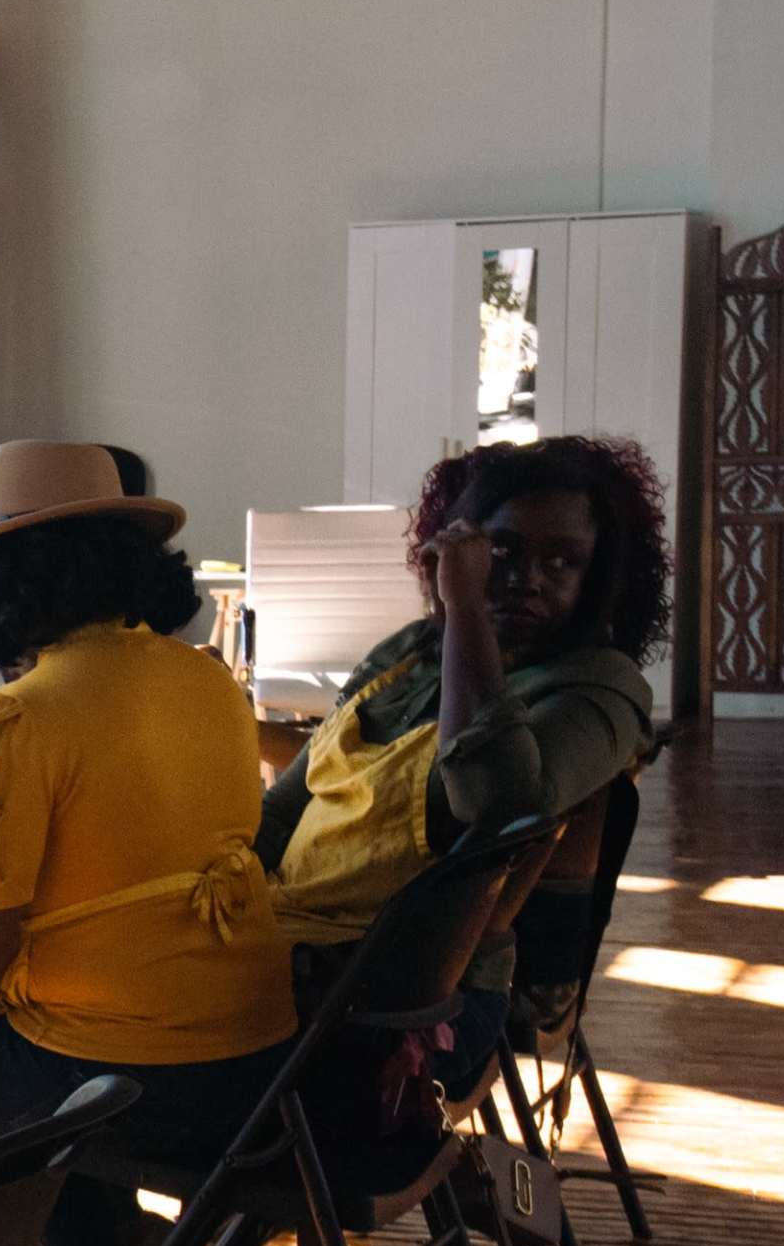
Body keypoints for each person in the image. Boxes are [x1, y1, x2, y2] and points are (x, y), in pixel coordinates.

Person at [0, 443, 296, 1246]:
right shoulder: (207, 682)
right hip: (255, 1072)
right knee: (50, 1031)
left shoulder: (10, 723)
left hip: (128, 1094)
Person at [260, 434, 666, 1082]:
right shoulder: (411, 653)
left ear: (596, 579)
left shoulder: (601, 688)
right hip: (292, 944)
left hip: (414, 1000)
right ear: (458, 548)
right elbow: (286, 806)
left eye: (561, 562)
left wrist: (469, 608)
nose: (526, 579)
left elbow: (491, 797)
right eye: (500, 552)